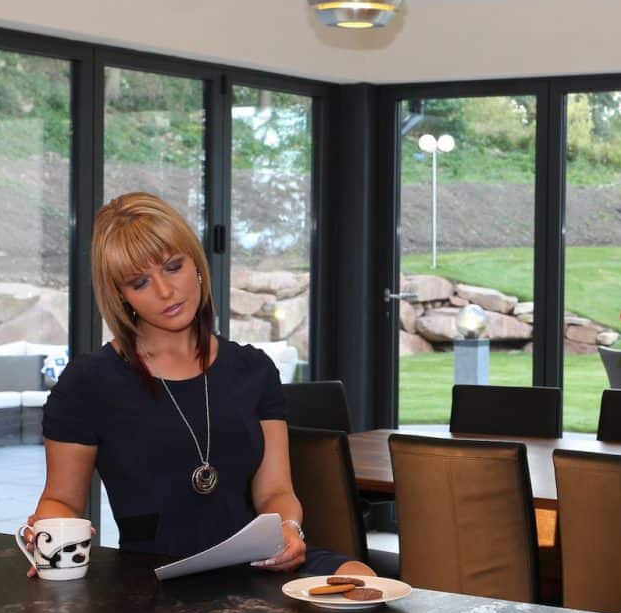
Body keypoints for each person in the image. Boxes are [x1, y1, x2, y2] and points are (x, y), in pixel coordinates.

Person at [25, 192, 374, 579]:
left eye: (173, 267)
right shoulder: (87, 383)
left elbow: (276, 492)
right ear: (121, 297)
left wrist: (289, 531)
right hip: (156, 575)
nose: (165, 291)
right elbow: (61, 500)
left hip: (258, 562)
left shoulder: (253, 369)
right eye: (140, 282)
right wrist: (48, 539)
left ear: (196, 265)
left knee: (360, 577)